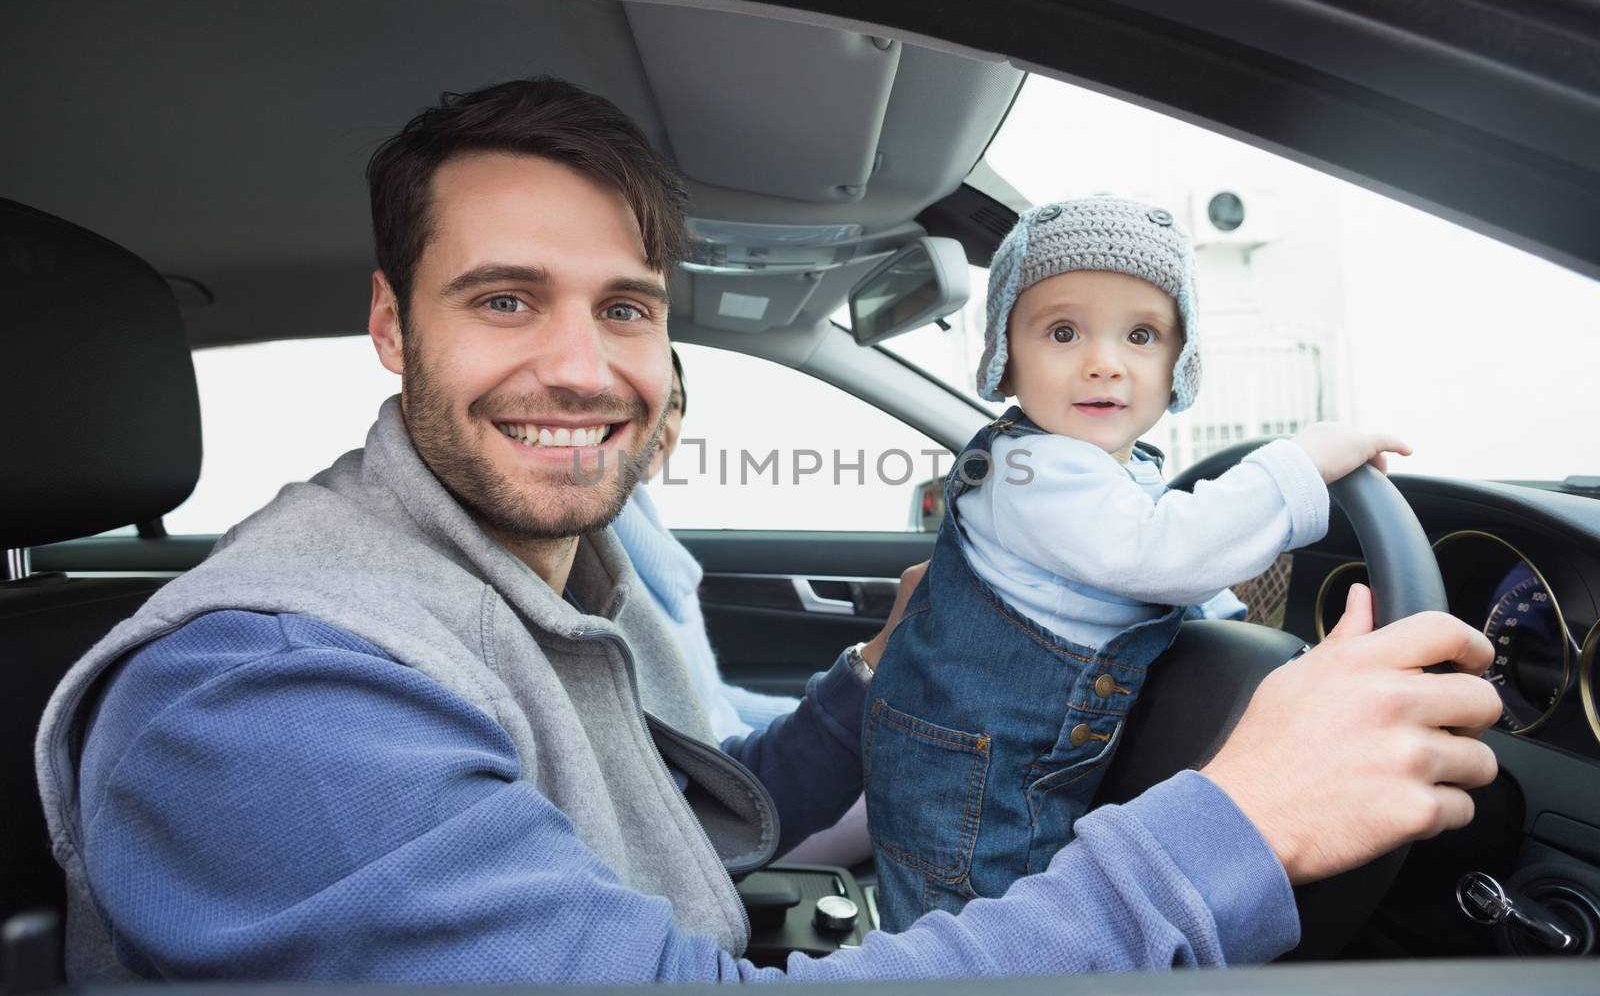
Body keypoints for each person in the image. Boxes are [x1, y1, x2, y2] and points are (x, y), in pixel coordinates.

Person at [35, 78, 1502, 983]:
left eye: (627, 307)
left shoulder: (507, 592)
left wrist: (888, 677)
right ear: (388, 327)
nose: (580, 363)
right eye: (502, 298)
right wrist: (1233, 828)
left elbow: (661, 822)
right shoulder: (263, 696)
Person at [863, 197, 1417, 930]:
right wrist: (1301, 462)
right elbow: (1162, 553)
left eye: (1142, 334)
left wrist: (1242, 628)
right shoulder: (1036, 472)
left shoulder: (1106, 470)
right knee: (985, 947)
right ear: (1006, 355)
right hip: (974, 789)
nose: (1104, 362)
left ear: (1178, 361)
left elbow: (1165, 583)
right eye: (1064, 331)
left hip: (975, 766)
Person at [612, 347, 801, 740]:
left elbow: (710, 701)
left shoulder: (647, 530)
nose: (661, 421)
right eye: (640, 399)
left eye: (675, 405)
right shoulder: (604, 567)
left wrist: (811, 715)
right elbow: (699, 743)